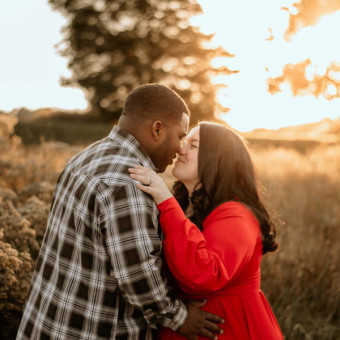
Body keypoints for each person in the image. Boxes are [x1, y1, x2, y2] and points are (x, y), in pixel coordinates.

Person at [16, 85, 224, 340]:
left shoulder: (85, 157)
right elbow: (138, 275)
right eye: (180, 137)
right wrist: (180, 317)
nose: (180, 149)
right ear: (157, 129)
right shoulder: (129, 182)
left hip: (47, 322)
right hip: (91, 331)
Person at [129, 121, 285, 339]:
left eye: (193, 145)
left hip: (230, 330)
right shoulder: (186, 208)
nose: (180, 149)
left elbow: (203, 274)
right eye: (185, 142)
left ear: (217, 160)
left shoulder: (237, 214)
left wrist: (165, 201)